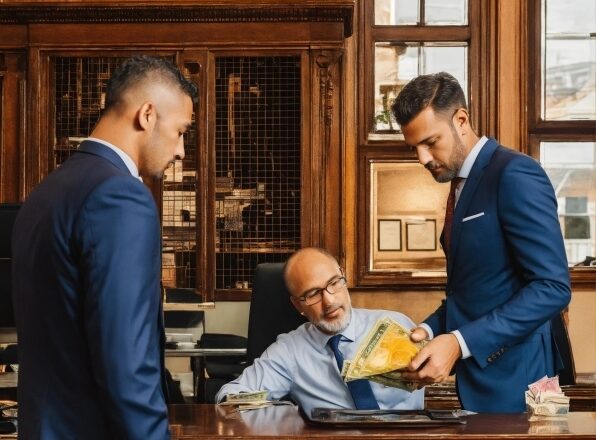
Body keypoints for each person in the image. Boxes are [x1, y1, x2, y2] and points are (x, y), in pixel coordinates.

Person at [11, 56, 197, 439]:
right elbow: (126, 361)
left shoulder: (47, 191)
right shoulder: (120, 196)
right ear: (147, 115)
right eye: (181, 131)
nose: (180, 150)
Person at [391, 72, 571, 413]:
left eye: (430, 142)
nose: (422, 158)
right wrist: (428, 330)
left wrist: (459, 343)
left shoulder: (515, 173)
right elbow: (475, 290)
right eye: (414, 147)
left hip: (522, 383)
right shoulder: (459, 186)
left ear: (461, 120)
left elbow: (552, 287)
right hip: (480, 385)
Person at [216, 247, 424, 416]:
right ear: (298, 305)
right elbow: (229, 396)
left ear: (343, 277)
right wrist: (283, 416)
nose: (329, 301)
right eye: (313, 294)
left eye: (333, 283)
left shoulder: (395, 325)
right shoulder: (289, 351)